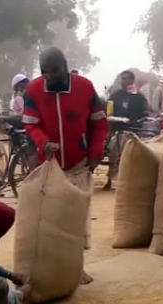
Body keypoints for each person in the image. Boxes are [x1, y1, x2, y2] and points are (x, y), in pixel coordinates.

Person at [22, 47, 109, 284]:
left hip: (78, 164)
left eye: (54, 71)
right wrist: (43, 143)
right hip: (49, 166)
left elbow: (100, 124)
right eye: (44, 72)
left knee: (75, 219)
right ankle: (51, 268)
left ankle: (76, 268)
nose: (49, 76)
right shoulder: (34, 90)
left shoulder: (84, 87)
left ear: (65, 66)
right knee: (50, 220)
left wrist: (95, 152)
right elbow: (31, 123)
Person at [105, 70, 151, 190]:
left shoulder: (139, 97)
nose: (123, 81)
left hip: (134, 130)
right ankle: (109, 179)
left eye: (126, 78)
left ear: (132, 80)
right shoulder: (115, 96)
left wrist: (143, 118)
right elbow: (108, 111)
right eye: (122, 78)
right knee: (113, 150)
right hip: (118, 129)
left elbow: (146, 111)